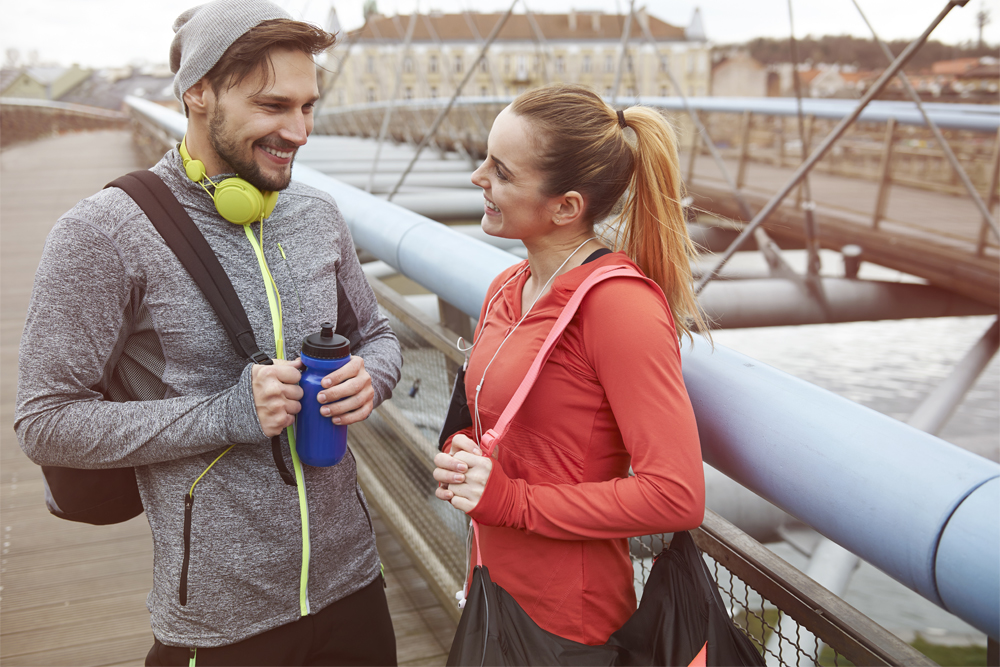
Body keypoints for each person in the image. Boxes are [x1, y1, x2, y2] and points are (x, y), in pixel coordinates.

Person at [14, 1, 402, 664]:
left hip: (355, 584)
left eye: (309, 106)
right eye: (275, 105)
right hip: (223, 620)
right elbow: (45, 422)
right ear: (198, 92)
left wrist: (375, 374)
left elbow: (379, 331)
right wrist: (223, 413)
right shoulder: (104, 233)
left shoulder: (316, 211)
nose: (300, 130)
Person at [433, 84, 707, 646]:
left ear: (566, 207)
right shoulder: (506, 287)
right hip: (490, 592)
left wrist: (513, 501)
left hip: (567, 627)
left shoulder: (620, 307)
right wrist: (461, 449)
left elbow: (676, 494)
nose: (476, 177)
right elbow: (494, 420)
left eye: (502, 172)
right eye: (485, 159)